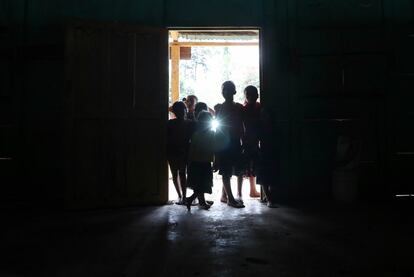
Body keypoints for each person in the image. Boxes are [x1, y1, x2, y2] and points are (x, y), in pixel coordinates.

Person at [214, 81, 245, 208]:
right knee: (226, 171)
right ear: (222, 92)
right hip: (224, 142)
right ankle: (230, 199)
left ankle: (225, 195)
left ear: (234, 91)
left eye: (228, 89)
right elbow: (218, 127)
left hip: (236, 141)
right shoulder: (219, 107)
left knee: (238, 169)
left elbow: (242, 126)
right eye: (224, 89)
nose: (225, 92)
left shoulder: (239, 107)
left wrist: (243, 141)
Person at [185, 111, 221, 211]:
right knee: (203, 185)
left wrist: (189, 163)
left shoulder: (196, 134)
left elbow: (191, 150)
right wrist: (216, 161)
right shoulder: (211, 134)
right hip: (204, 163)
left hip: (197, 163)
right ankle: (191, 199)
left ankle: (201, 202)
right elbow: (215, 149)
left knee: (199, 185)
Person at [167, 101, 193, 204]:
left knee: (179, 174)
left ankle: (182, 196)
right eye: (180, 110)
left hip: (177, 151)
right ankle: (181, 196)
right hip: (177, 151)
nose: (182, 112)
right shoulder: (188, 123)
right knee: (179, 174)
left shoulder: (171, 123)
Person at [238, 85, 261, 198]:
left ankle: (253, 190)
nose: (251, 97)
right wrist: (242, 139)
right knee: (246, 166)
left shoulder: (259, 106)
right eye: (248, 95)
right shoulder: (244, 109)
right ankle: (241, 192)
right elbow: (241, 125)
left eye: (253, 94)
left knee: (254, 165)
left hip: (256, 139)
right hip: (247, 139)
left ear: (257, 95)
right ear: (245, 97)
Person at [256, 108, 278, 208]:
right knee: (264, 178)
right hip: (263, 155)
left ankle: (269, 197)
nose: (264, 118)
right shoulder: (260, 128)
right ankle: (269, 199)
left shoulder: (274, 128)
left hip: (272, 154)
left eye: (266, 115)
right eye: (262, 116)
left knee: (272, 178)